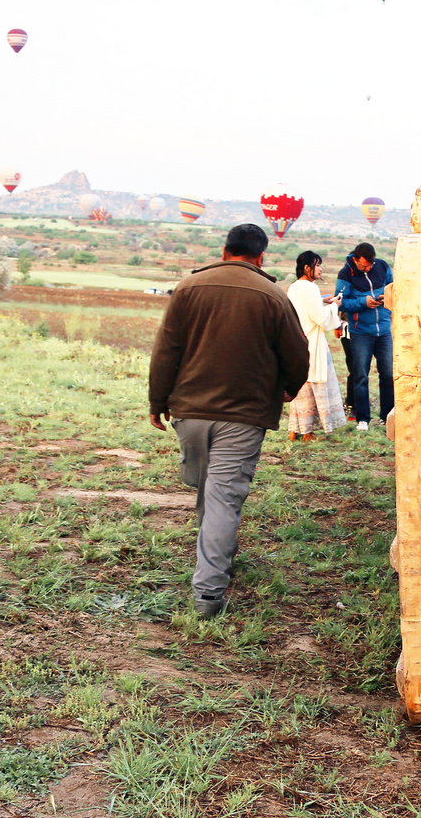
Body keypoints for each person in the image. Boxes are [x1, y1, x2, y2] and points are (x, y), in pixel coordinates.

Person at [148, 223, 308, 620]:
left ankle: (215, 566)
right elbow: (298, 354)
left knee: (209, 491)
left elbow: (166, 348)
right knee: (221, 499)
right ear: (261, 256)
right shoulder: (272, 294)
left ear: (224, 250)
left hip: (189, 410)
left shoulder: (187, 287)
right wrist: (288, 388)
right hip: (243, 414)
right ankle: (208, 595)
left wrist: (157, 399)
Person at [287, 250, 345, 440]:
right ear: (307, 268)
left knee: (301, 387)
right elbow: (320, 318)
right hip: (313, 342)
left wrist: (323, 301)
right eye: (317, 265)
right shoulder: (310, 288)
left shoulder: (294, 287)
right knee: (315, 387)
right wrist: (334, 306)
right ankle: (309, 433)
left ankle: (295, 430)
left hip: (298, 342)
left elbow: (303, 308)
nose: (320, 269)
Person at [335, 242, 392, 432]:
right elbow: (341, 302)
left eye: (370, 265)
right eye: (364, 265)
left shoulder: (382, 266)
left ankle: (387, 416)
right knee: (361, 376)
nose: (368, 268)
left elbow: (394, 288)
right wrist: (363, 302)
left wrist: (386, 297)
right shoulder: (345, 274)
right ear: (356, 259)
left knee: (389, 374)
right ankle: (362, 419)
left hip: (384, 330)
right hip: (360, 333)